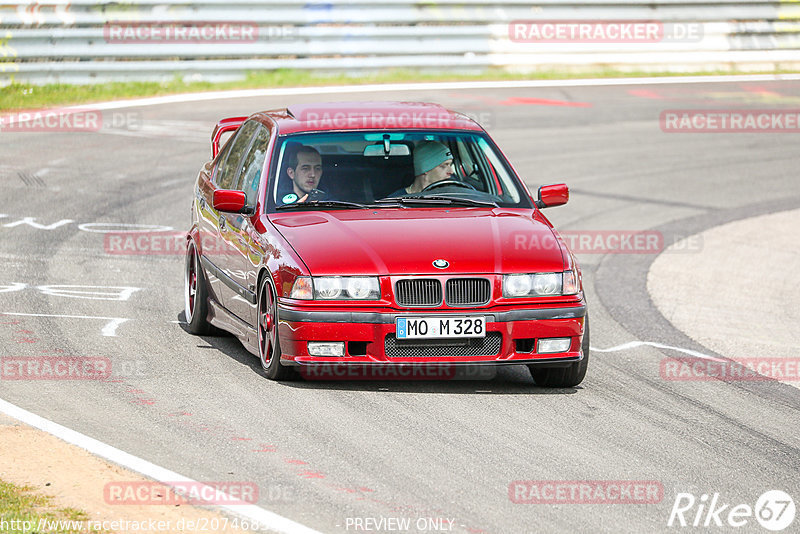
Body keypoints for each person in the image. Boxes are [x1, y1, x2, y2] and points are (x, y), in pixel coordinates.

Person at [386, 140, 454, 197]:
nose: (451, 171)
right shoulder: (395, 201)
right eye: (444, 165)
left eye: (450, 165)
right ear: (425, 168)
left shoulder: (456, 198)